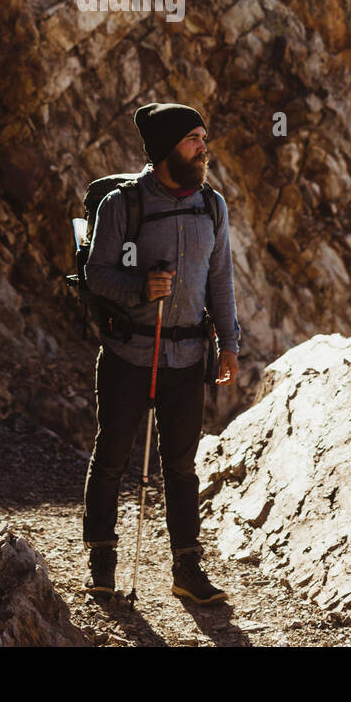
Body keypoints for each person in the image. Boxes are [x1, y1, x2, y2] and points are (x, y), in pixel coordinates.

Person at [82, 101, 240, 604]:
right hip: (129, 354)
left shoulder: (212, 206)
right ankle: (102, 562)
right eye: (194, 139)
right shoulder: (122, 205)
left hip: (189, 358)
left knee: (182, 466)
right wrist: (140, 289)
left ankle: (187, 571)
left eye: (203, 137)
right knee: (111, 458)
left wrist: (229, 345)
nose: (203, 148)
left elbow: (222, 280)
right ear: (168, 147)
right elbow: (96, 273)